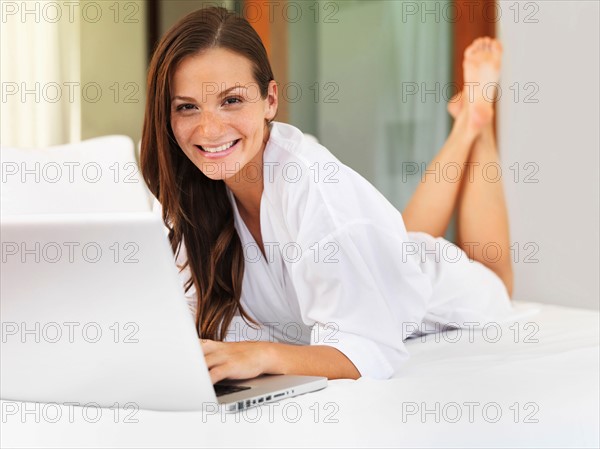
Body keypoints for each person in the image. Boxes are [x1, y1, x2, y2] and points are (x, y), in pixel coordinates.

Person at [140, 7, 513, 383]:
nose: (209, 129)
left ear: (271, 99)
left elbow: (365, 352)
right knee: (403, 240)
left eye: (231, 100)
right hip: (385, 254)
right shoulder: (189, 191)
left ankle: (475, 122)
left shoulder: (316, 190)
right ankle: (470, 119)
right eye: (187, 107)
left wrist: (263, 355)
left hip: (448, 295)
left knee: (496, 280)